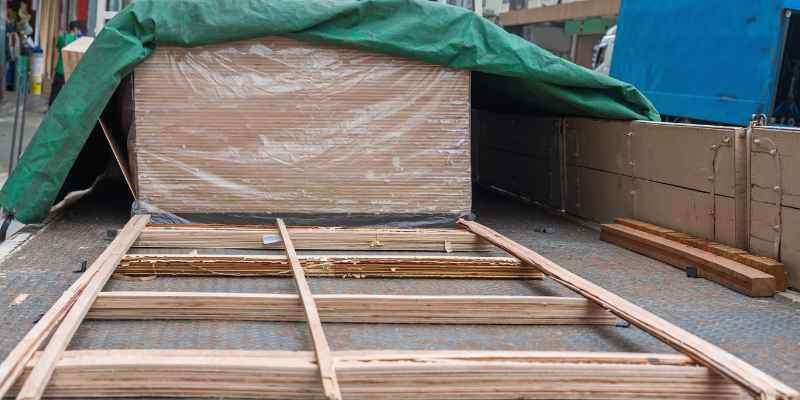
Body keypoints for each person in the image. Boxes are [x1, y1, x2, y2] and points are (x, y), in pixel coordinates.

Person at [49, 20, 83, 105]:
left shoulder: (62, 38)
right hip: (71, 70)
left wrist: (54, 68)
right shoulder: (77, 41)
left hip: (60, 69)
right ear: (75, 29)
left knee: (55, 90)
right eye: (78, 30)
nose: (78, 32)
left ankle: (51, 108)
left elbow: (56, 54)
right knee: (69, 92)